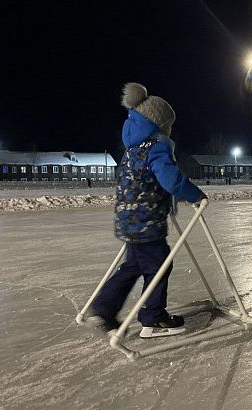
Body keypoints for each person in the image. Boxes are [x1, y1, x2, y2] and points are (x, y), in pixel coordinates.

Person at [88, 82, 206, 338]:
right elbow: (170, 179)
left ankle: (103, 309)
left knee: (133, 266)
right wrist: (194, 194)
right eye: (169, 126)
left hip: (128, 219)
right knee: (160, 264)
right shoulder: (157, 147)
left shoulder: (131, 151)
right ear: (159, 125)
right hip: (147, 221)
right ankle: (153, 318)